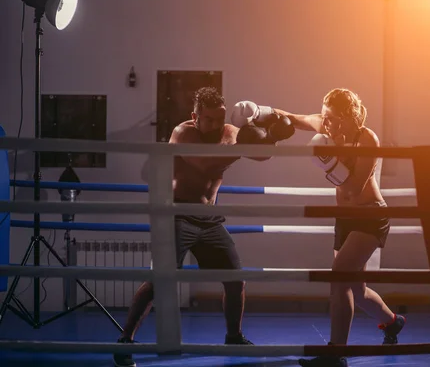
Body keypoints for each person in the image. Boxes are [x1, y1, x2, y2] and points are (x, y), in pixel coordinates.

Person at [113, 87, 294, 367]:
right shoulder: (182, 133)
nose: (214, 125)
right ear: (194, 116)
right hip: (178, 215)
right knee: (159, 280)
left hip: (209, 220)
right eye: (208, 119)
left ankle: (233, 337)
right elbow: (204, 162)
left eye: (219, 119)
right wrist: (245, 142)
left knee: (236, 280)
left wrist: (272, 136)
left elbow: (263, 156)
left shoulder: (230, 132)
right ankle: (125, 341)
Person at [231, 89, 406, 367]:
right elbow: (293, 118)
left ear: (349, 117)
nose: (328, 124)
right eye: (325, 117)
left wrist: (330, 161)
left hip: (370, 215)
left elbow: (353, 188)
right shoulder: (325, 125)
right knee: (356, 289)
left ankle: (336, 354)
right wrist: (259, 111)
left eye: (334, 118)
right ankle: (393, 323)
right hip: (345, 219)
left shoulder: (366, 139)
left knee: (338, 280)